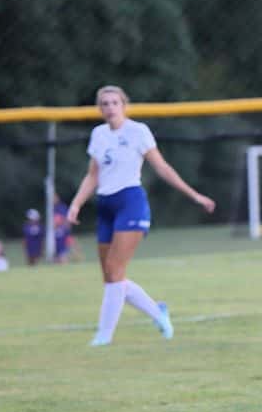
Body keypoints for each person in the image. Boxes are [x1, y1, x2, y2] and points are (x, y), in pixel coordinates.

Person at [67, 85, 216, 346]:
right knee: (111, 277)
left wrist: (194, 195)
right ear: (99, 109)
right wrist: (76, 204)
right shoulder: (99, 134)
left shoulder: (138, 131)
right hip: (105, 205)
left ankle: (103, 337)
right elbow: (93, 175)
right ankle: (158, 313)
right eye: (104, 104)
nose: (110, 107)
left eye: (115, 102)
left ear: (124, 105)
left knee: (115, 271)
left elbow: (162, 167)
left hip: (130, 203)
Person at [53, 193, 72, 264]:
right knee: (57, 252)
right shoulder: (52, 208)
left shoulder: (61, 207)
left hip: (62, 232)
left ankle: (64, 262)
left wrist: (67, 230)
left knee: (63, 251)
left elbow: (66, 220)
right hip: (56, 233)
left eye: (54, 197)